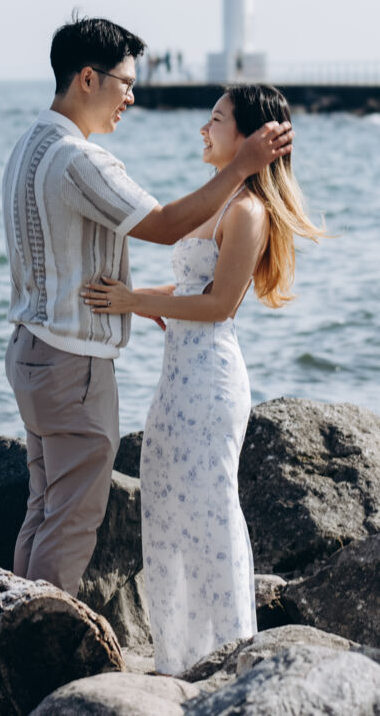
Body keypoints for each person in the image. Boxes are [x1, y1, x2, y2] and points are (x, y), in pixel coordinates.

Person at [2, 16, 294, 598]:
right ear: (88, 78)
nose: (132, 97)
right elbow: (162, 226)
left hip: (30, 352)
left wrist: (140, 300)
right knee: (71, 519)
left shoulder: (29, 146)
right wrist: (241, 167)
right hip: (72, 364)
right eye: (126, 84)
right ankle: (34, 634)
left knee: (43, 508)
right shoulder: (78, 159)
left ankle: (10, 620)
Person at [82, 84, 325, 674]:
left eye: (216, 119)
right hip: (179, 376)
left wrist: (134, 300)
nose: (203, 129)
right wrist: (131, 298)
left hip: (211, 378)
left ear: (249, 138)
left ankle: (228, 651)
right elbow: (191, 290)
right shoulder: (222, 201)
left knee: (211, 513)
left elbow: (220, 305)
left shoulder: (248, 211)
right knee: (166, 504)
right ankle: (179, 656)